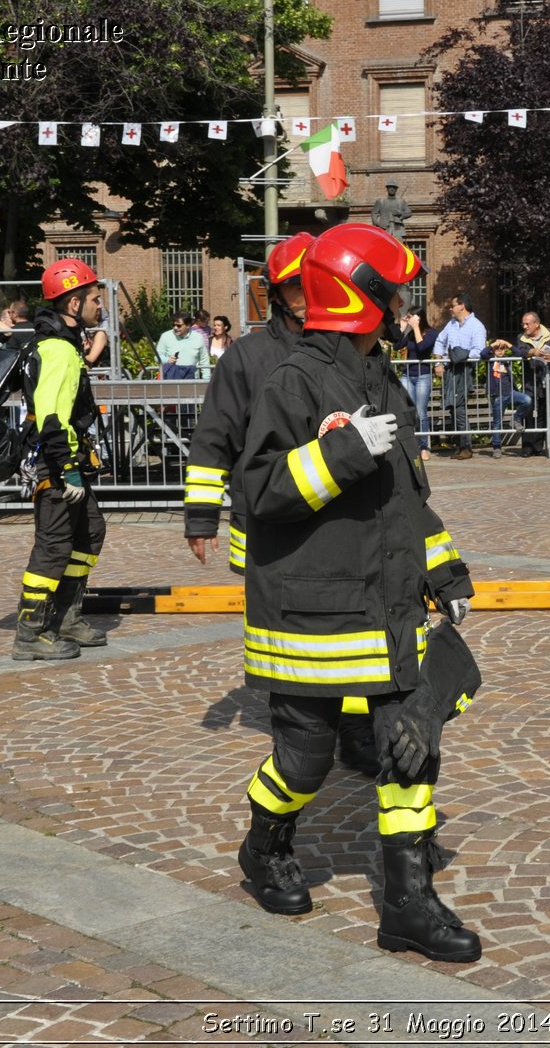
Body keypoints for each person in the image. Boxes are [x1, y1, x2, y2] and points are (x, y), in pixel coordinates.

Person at [237, 222, 483, 963]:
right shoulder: (294, 381)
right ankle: (264, 841)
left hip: (387, 604)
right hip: (313, 613)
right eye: (396, 290)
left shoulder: (379, 379)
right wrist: (341, 451)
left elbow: (406, 501)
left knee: (409, 744)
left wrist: (446, 571)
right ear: (360, 297)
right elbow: (259, 492)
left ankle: (407, 902)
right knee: (305, 761)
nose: (406, 302)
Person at [182, 234, 378, 777]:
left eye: (312, 284)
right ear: (275, 293)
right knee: (282, 627)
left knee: (353, 626)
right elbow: (213, 439)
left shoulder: (350, 349)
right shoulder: (248, 358)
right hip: (267, 523)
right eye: (294, 287)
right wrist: (201, 516)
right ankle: (298, 722)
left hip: (339, 519)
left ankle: (356, 727)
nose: (306, 295)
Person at [11, 258, 111, 661]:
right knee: (53, 546)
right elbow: (52, 416)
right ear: (73, 305)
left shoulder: (65, 345)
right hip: (55, 464)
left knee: (90, 532)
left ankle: (67, 617)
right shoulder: (57, 350)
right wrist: (68, 469)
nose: (99, 305)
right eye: (93, 299)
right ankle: (31, 632)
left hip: (62, 460)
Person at [432, 293, 487, 459]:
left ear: (462, 305)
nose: (450, 308)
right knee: (452, 408)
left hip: (463, 371)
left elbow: (479, 351)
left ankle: (466, 447)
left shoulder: (477, 326)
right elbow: (440, 341)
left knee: (459, 408)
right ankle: (460, 445)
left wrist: (460, 355)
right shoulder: (451, 324)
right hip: (451, 370)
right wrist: (438, 362)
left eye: (453, 305)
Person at [511, 312, 550, 458]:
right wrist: (532, 351)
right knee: (528, 411)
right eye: (523, 324)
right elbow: (520, 351)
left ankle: (538, 446)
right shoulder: (521, 337)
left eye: (527, 323)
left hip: (547, 380)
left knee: (544, 412)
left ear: (536, 324)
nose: (524, 326)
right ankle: (527, 446)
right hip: (529, 381)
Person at [397, 302, 438, 461]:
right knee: (410, 411)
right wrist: (402, 327)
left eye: (411, 316)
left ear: (419, 318)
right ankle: (411, 445)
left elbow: (422, 348)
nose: (409, 319)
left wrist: (415, 328)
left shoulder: (432, 333)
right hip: (408, 375)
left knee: (421, 412)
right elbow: (397, 345)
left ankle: (423, 447)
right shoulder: (410, 334)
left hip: (423, 376)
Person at [484, 333, 533, 459]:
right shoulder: (489, 359)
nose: (500, 351)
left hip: (510, 392)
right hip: (497, 395)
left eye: (502, 348)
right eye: (497, 349)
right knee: (497, 423)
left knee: (527, 400)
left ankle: (515, 419)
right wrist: (493, 345)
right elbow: (482, 354)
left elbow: (520, 354)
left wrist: (508, 344)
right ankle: (497, 447)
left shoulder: (507, 359)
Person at [157, 311, 210, 381]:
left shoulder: (198, 338)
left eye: (179, 325)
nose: (175, 328)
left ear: (188, 325)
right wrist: (167, 360)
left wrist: (207, 380)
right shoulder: (165, 336)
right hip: (169, 381)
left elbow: (204, 360)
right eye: (173, 325)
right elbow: (157, 357)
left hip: (192, 382)